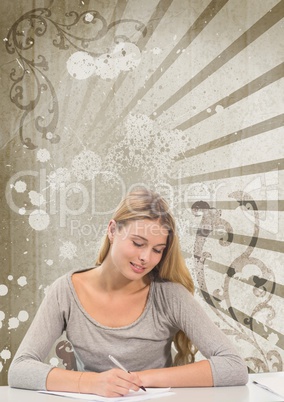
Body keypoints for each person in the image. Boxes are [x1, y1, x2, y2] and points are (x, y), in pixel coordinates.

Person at [8, 188, 248, 396]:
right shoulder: (66, 291)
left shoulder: (169, 296)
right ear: (112, 230)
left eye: (157, 249)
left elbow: (233, 367)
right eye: (138, 243)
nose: (146, 258)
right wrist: (93, 383)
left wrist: (139, 380)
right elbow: (20, 369)